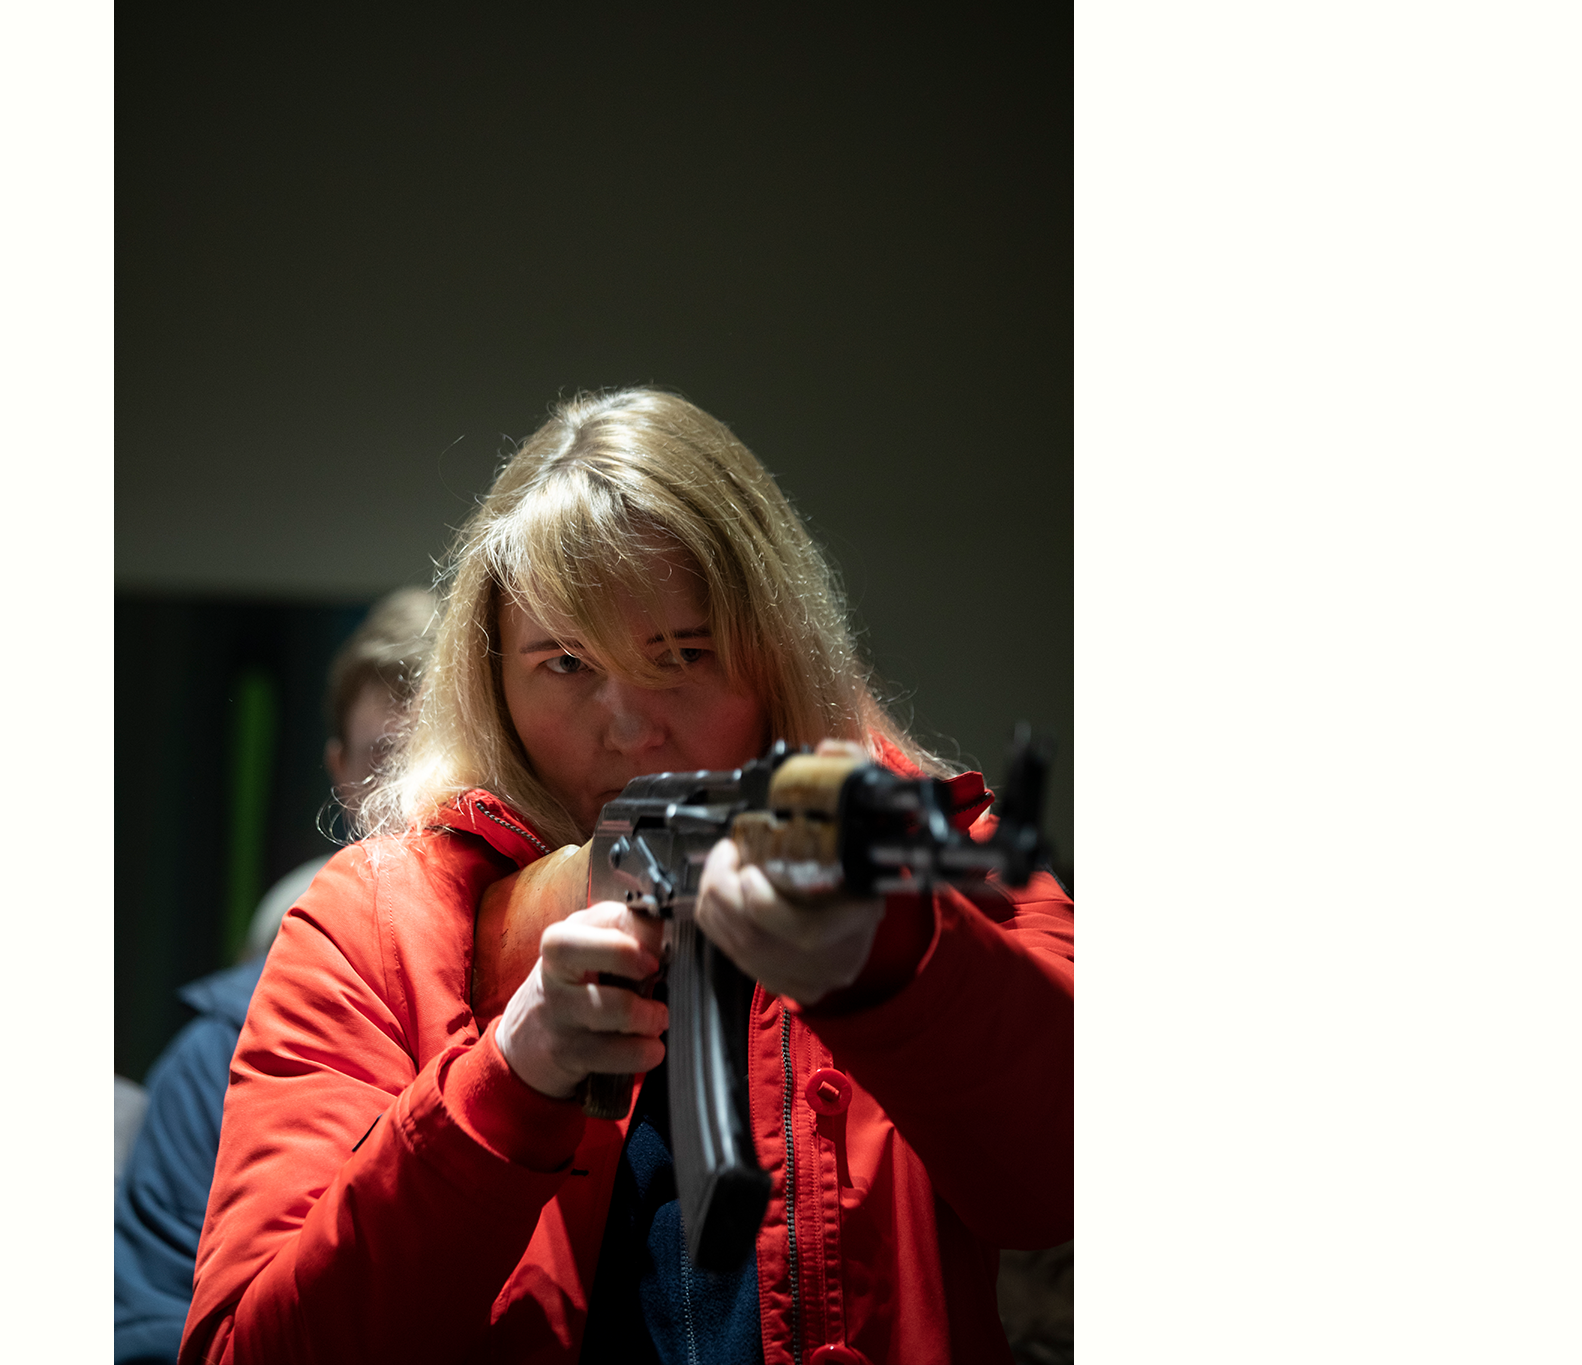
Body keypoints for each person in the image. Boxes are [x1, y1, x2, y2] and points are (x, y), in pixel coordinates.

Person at [182, 391, 1072, 1364]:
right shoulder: (376, 926)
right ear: (492, 678)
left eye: (683, 654)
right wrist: (508, 1077)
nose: (631, 725)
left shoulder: (923, 857)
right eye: (566, 663)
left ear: (777, 653)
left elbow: (1061, 1177)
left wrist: (902, 962)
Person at [112, 587, 437, 1364]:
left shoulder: (579, 1011)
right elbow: (152, 1329)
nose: (412, 797)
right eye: (384, 761)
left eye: (442, 758)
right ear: (340, 774)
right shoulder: (212, 1060)